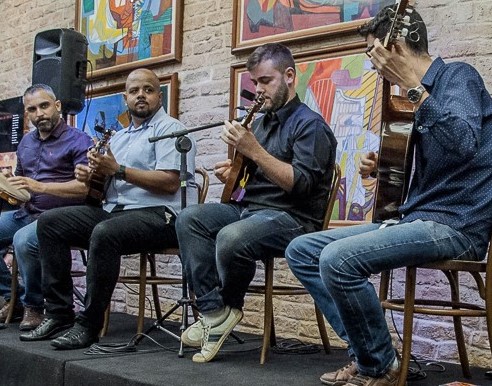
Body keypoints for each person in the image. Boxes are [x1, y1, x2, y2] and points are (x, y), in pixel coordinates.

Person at [285, 5, 492, 386]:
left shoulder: (457, 78)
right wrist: (385, 165)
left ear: (396, 46)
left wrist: (414, 90)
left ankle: (376, 366)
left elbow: (464, 143)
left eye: (374, 54)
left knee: (337, 259)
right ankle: (374, 356)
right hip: (419, 218)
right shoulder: (418, 99)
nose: (374, 65)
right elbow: (439, 163)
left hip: (457, 225)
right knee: (302, 250)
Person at [175, 43, 337, 363]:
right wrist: (234, 174)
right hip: (250, 209)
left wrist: (253, 150)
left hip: (293, 217)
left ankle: (227, 308)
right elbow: (254, 178)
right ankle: (213, 313)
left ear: (289, 76)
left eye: (266, 81)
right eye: (255, 83)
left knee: (232, 236)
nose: (259, 89)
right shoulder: (261, 123)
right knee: (189, 218)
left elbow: (301, 185)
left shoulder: (311, 126)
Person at [20, 68, 197, 349]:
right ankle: (59, 313)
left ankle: (88, 324)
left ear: (158, 95)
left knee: (105, 231)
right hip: (118, 212)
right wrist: (90, 178)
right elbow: (105, 187)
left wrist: (119, 170)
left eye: (148, 90)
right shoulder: (119, 137)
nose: (141, 95)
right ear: (125, 97)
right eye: (134, 91)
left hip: (161, 215)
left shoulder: (171, 129)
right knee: (51, 222)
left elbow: (170, 183)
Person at [0, 84, 92, 331]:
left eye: (44, 106)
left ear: (58, 106)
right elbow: (21, 187)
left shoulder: (79, 140)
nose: (39, 113)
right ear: (27, 113)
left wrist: (39, 187)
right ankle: (13, 297)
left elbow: (83, 189)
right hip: (27, 212)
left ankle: (34, 306)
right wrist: (8, 189)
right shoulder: (26, 143)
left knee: (23, 240)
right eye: (32, 109)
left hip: (62, 217)